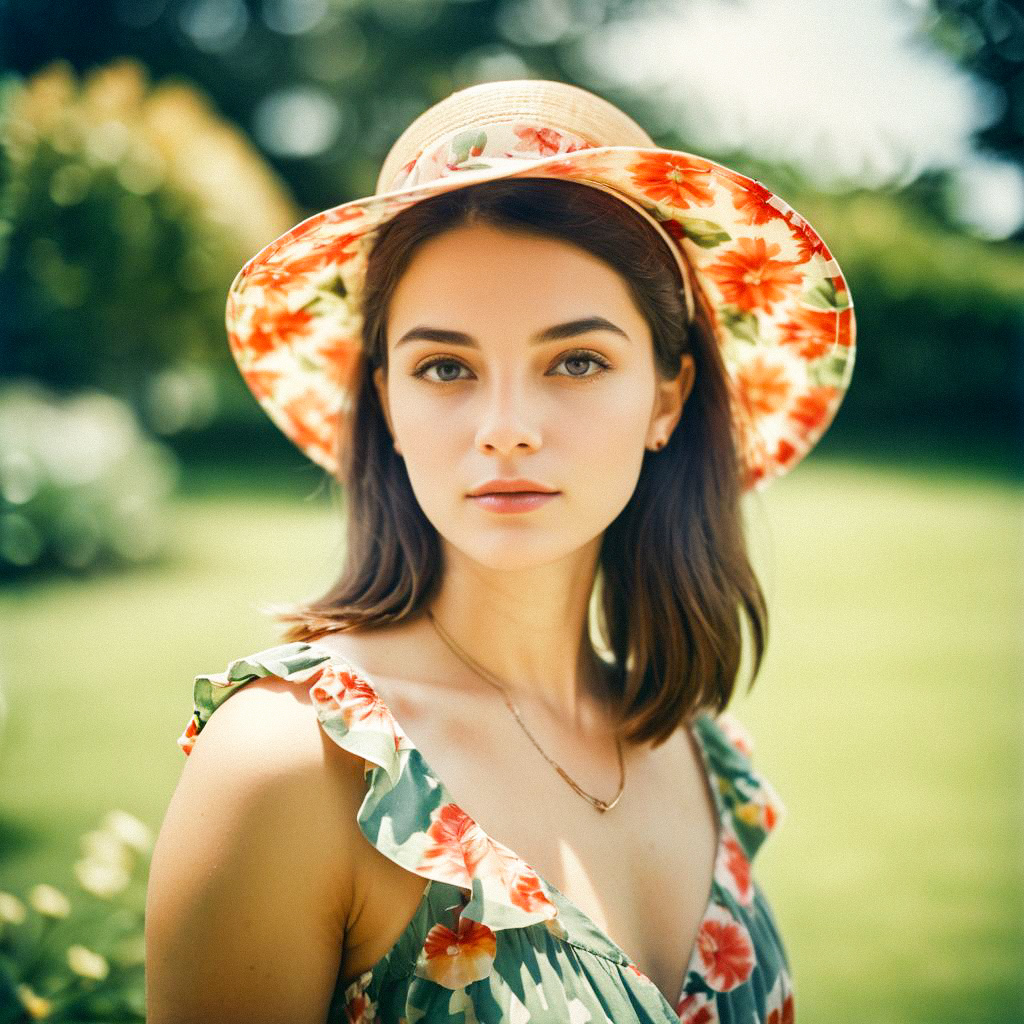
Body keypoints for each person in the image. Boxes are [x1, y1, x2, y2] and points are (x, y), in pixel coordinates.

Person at [145, 79, 854, 1024]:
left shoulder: (696, 747)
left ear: (668, 398)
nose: (506, 428)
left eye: (576, 361)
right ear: (389, 401)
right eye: (445, 367)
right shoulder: (297, 765)